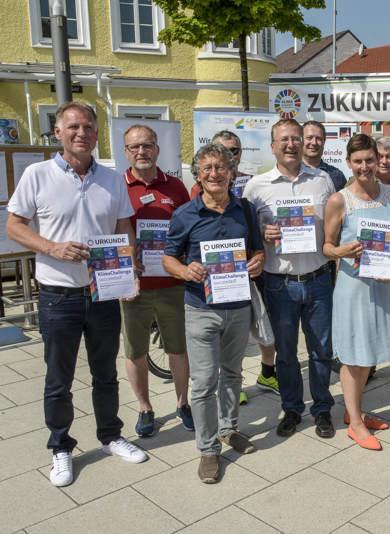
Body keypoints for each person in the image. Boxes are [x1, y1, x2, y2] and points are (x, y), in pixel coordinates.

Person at [6, 102, 148, 487]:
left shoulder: (113, 179)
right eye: (73, 127)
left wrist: (130, 269)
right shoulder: (37, 175)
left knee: (106, 373)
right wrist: (52, 248)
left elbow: (122, 228)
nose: (81, 133)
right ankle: (61, 448)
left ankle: (111, 436)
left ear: (97, 134)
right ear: (58, 132)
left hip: (103, 293)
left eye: (88, 126)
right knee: (59, 379)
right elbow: (15, 226)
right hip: (58, 296)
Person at [163, 143, 265, 483]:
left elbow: (257, 249)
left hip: (238, 307)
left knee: (233, 375)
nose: (214, 173)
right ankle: (208, 449)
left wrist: (257, 260)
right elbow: (168, 258)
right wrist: (183, 271)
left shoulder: (245, 210)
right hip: (201, 309)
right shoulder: (184, 215)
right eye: (206, 168)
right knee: (205, 381)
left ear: (231, 172)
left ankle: (228, 429)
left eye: (220, 167)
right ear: (198, 174)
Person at [244, 118, 337, 440]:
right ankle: (292, 408)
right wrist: (262, 233)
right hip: (279, 283)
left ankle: (322, 407)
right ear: (272, 146)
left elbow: (335, 227)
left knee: (321, 350)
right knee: (285, 353)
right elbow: (247, 237)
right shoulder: (256, 187)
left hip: (320, 279)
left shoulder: (323, 181)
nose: (291, 144)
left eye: (296, 138)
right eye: (283, 139)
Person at [323, 133, 390, 451]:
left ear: (378, 160)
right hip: (353, 288)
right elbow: (326, 247)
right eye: (357, 161)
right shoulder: (339, 200)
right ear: (348, 163)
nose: (365, 166)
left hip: (382, 283)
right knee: (353, 354)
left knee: (368, 351)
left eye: (369, 160)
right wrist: (342, 250)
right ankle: (355, 423)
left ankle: (353, 411)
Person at [190, 130, 277, 404]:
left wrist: (260, 251)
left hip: (250, 267)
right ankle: (232, 381)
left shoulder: (250, 184)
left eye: (234, 151)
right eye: (222, 150)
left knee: (263, 324)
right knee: (225, 333)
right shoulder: (201, 188)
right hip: (217, 277)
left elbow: (256, 221)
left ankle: (267, 373)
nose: (230, 155)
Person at [119, 124, 193, 437]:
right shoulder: (115, 185)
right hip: (133, 288)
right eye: (134, 147)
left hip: (172, 286)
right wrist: (117, 276)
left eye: (147, 145)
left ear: (157, 149)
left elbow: (189, 232)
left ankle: (182, 402)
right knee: (135, 351)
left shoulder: (176, 187)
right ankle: (145, 408)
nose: (141, 152)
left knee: (177, 348)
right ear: (126, 152)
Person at [345, 135, 390, 383]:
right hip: (356, 275)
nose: (380, 162)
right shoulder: (345, 191)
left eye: (387, 157)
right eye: (378, 156)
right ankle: (367, 370)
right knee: (362, 329)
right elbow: (333, 241)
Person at [302, 120, 347, 191]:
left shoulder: (337, 175)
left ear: (324, 142)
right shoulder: (291, 173)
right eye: (309, 138)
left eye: (318, 138)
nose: (314, 143)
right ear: (301, 140)